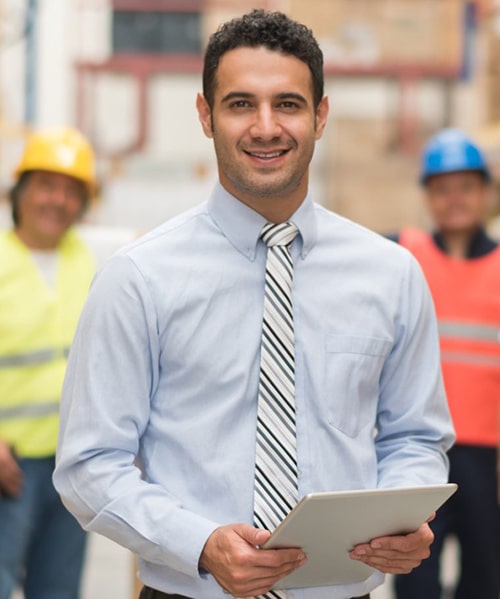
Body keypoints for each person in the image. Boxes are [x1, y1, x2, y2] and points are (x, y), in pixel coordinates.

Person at [53, 10, 455, 599]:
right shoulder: (138, 279)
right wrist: (199, 543)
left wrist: (402, 518)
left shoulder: (390, 275)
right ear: (205, 115)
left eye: (288, 104)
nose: (265, 127)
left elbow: (415, 438)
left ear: (320, 116)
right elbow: (89, 464)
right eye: (241, 104)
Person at [393, 129, 500, 599]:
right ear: (428, 196)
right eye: (442, 189)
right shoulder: (402, 255)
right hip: (418, 452)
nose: (454, 199)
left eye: (465, 187)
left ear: (485, 193)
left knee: (485, 579)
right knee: (415, 582)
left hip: (487, 459)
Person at [0, 126, 97, 599]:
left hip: (72, 465)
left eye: (70, 191)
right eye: (46, 185)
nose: (57, 200)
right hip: (7, 465)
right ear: (21, 192)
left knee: (58, 591)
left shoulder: (89, 260)